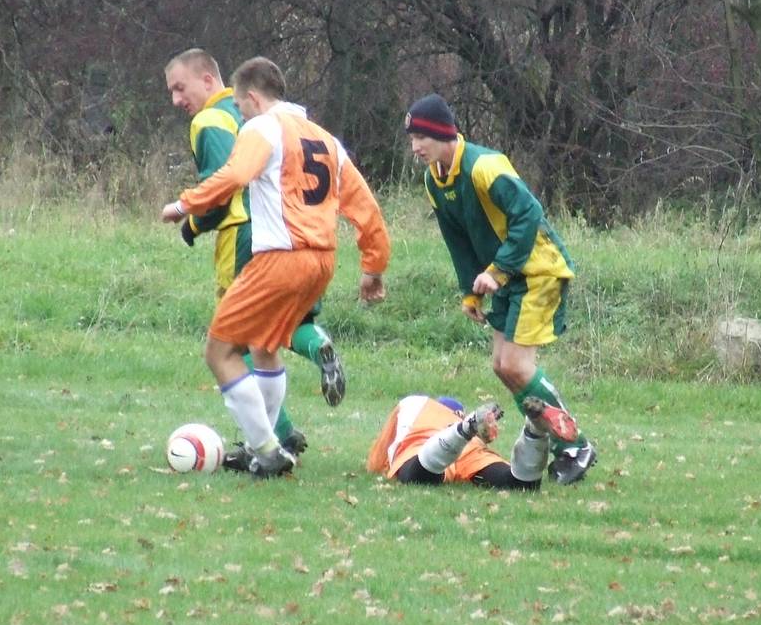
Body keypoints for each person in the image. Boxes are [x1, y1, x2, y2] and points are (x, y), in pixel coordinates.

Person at [163, 57, 390, 477]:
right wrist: (373, 266)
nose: (240, 116)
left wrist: (184, 205)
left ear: (252, 97)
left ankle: (266, 450)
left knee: (220, 352)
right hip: (321, 262)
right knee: (264, 347)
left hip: (279, 258)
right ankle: (266, 445)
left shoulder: (263, 128)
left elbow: (235, 175)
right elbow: (365, 207)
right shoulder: (326, 140)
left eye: (239, 107)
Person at [404, 93, 596, 484]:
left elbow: (529, 213)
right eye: (411, 139)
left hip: (538, 270)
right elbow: (458, 241)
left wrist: (500, 269)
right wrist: (470, 291)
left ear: (443, 133)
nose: (415, 147)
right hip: (507, 277)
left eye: (421, 137)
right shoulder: (433, 180)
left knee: (516, 366)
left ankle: (575, 445)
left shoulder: (484, 166)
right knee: (501, 366)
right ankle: (557, 441)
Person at [365, 395, 580, 490]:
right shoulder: (476, 442)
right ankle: (535, 430)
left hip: (429, 436)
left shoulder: (422, 406)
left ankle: (463, 429)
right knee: (520, 484)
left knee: (416, 476)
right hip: (471, 448)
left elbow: (376, 462)